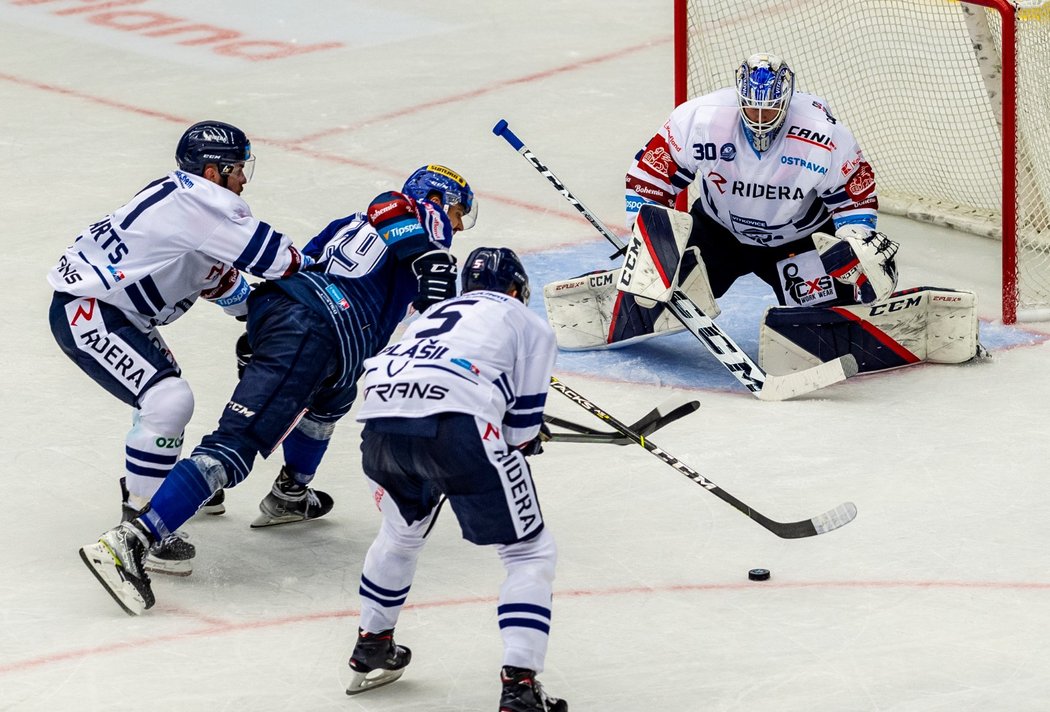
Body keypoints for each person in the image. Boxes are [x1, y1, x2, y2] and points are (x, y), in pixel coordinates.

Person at [78, 164, 476, 615]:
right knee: (235, 446)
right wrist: (431, 259)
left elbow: (313, 270)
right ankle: (131, 542)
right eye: (460, 211)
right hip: (315, 330)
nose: (459, 226)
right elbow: (390, 205)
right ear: (440, 200)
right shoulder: (424, 222)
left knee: (336, 393)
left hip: (306, 325)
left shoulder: (352, 226)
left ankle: (290, 493)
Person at [48, 120, 308, 576]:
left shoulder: (184, 199)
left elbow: (220, 281)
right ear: (213, 171)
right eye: (237, 169)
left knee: (164, 399)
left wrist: (258, 318)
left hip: (110, 310)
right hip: (88, 311)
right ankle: (144, 522)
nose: (244, 179)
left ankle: (157, 488)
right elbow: (282, 261)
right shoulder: (205, 205)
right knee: (168, 400)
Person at [543, 52, 901, 351]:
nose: (761, 119)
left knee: (829, 331)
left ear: (786, 100)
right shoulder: (701, 118)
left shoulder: (823, 134)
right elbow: (650, 177)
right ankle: (623, 287)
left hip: (797, 244)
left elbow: (854, 196)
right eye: (753, 109)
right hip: (719, 234)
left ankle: (863, 300)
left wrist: (854, 243)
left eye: (770, 110)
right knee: (653, 300)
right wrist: (649, 243)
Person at [344, 247, 566, 712]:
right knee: (529, 552)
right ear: (517, 288)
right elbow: (519, 433)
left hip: (381, 428)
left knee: (400, 535)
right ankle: (520, 688)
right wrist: (524, 437)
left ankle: (372, 642)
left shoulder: (430, 315)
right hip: (456, 427)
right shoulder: (527, 322)